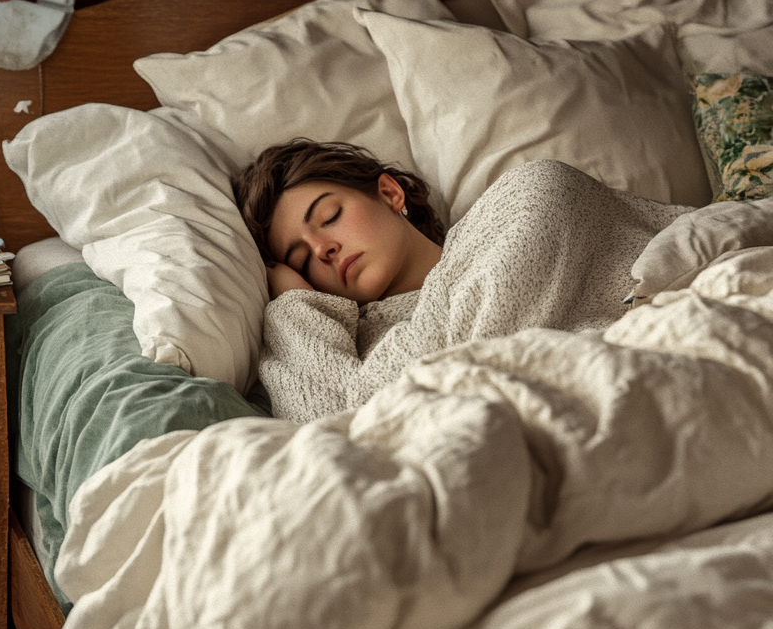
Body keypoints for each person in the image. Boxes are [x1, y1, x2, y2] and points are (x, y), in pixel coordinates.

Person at [235, 140, 692, 424]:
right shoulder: (353, 353)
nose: (322, 250)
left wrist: (382, 392)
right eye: (302, 258)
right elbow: (338, 442)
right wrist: (295, 306)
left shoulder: (523, 196)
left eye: (330, 216)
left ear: (390, 192)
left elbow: (383, 406)